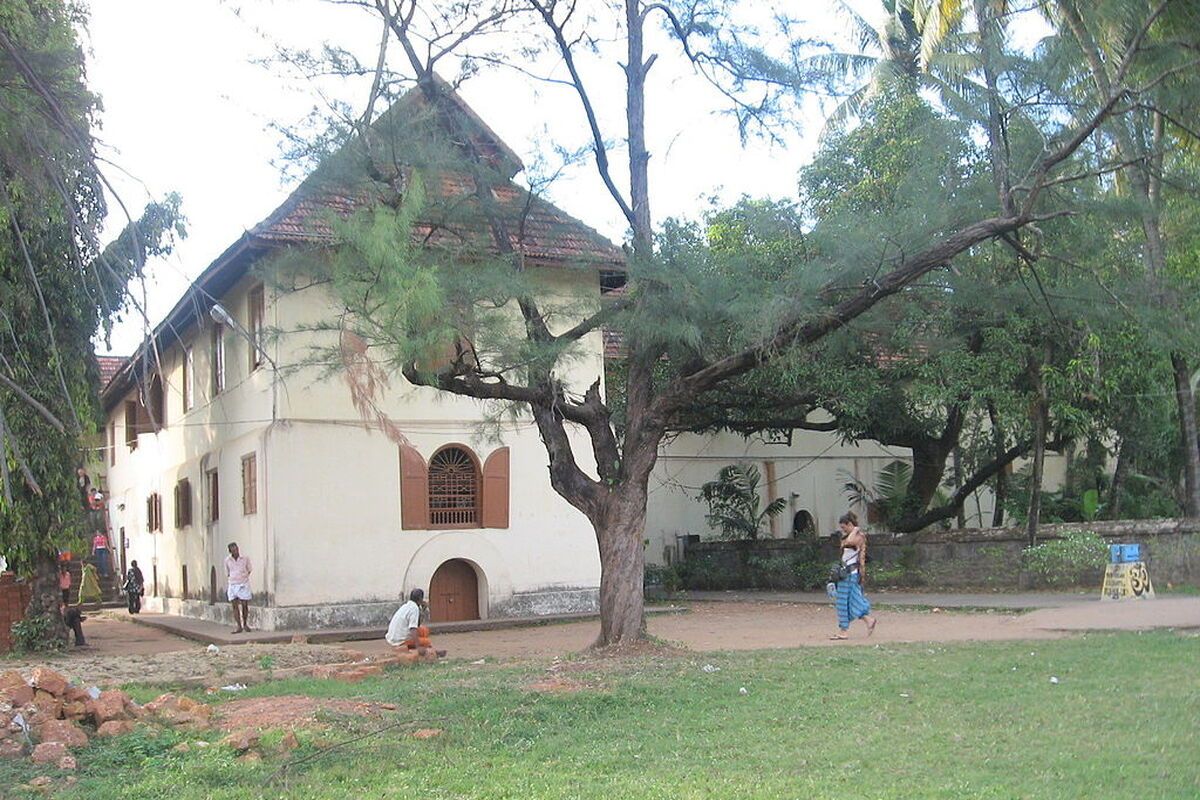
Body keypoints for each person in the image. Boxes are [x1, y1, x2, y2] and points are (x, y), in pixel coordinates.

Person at [831, 511, 877, 640]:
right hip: (848, 574)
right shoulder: (851, 535)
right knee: (853, 601)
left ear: (850, 524)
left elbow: (850, 542)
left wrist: (855, 530)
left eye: (844, 527)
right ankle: (869, 620)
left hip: (850, 574)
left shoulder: (857, 536)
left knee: (842, 602)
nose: (843, 530)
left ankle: (844, 631)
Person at [224, 542, 252, 633]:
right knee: (234, 605)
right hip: (232, 584)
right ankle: (239, 626)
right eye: (233, 550)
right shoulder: (227, 560)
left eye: (236, 549)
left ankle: (245, 624)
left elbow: (249, 569)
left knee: (244, 604)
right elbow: (227, 573)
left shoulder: (245, 559)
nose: (236, 551)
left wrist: (243, 576)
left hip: (243, 583)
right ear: (230, 552)